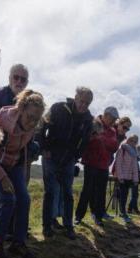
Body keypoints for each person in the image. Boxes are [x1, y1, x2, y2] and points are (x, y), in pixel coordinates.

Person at [0, 90, 45, 258]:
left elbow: (24, 150)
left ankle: (18, 243)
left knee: (24, 200)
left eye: (36, 119)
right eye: (30, 116)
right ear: (21, 109)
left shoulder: (31, 127)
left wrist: (22, 173)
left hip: (15, 164)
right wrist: (2, 178)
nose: (32, 122)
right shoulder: (2, 122)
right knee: (8, 199)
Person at [40, 87, 94, 239]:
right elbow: (42, 126)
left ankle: (68, 226)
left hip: (69, 159)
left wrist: (76, 156)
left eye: (87, 103)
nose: (83, 105)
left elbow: (84, 142)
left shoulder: (88, 119)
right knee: (50, 192)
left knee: (68, 193)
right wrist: (44, 148)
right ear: (75, 97)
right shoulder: (58, 108)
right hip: (50, 156)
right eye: (82, 101)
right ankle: (47, 226)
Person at [0, 64, 30, 218]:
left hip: (19, 155)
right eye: (16, 77)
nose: (19, 81)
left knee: (18, 190)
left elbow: (32, 123)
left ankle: (12, 225)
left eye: (23, 79)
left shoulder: (29, 100)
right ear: (9, 77)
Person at [112, 135, 140, 222]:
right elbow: (118, 164)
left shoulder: (134, 152)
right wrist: (120, 177)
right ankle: (123, 213)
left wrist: (136, 179)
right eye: (131, 140)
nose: (133, 143)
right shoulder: (122, 149)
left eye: (135, 141)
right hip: (122, 177)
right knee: (123, 195)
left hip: (129, 177)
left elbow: (135, 167)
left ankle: (123, 212)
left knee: (125, 194)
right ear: (127, 140)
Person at [128, 144, 140, 214]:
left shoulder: (136, 160)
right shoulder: (133, 159)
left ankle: (133, 209)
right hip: (132, 179)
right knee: (134, 195)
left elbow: (137, 172)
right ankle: (131, 209)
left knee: (135, 195)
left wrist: (139, 180)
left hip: (135, 179)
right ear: (136, 151)